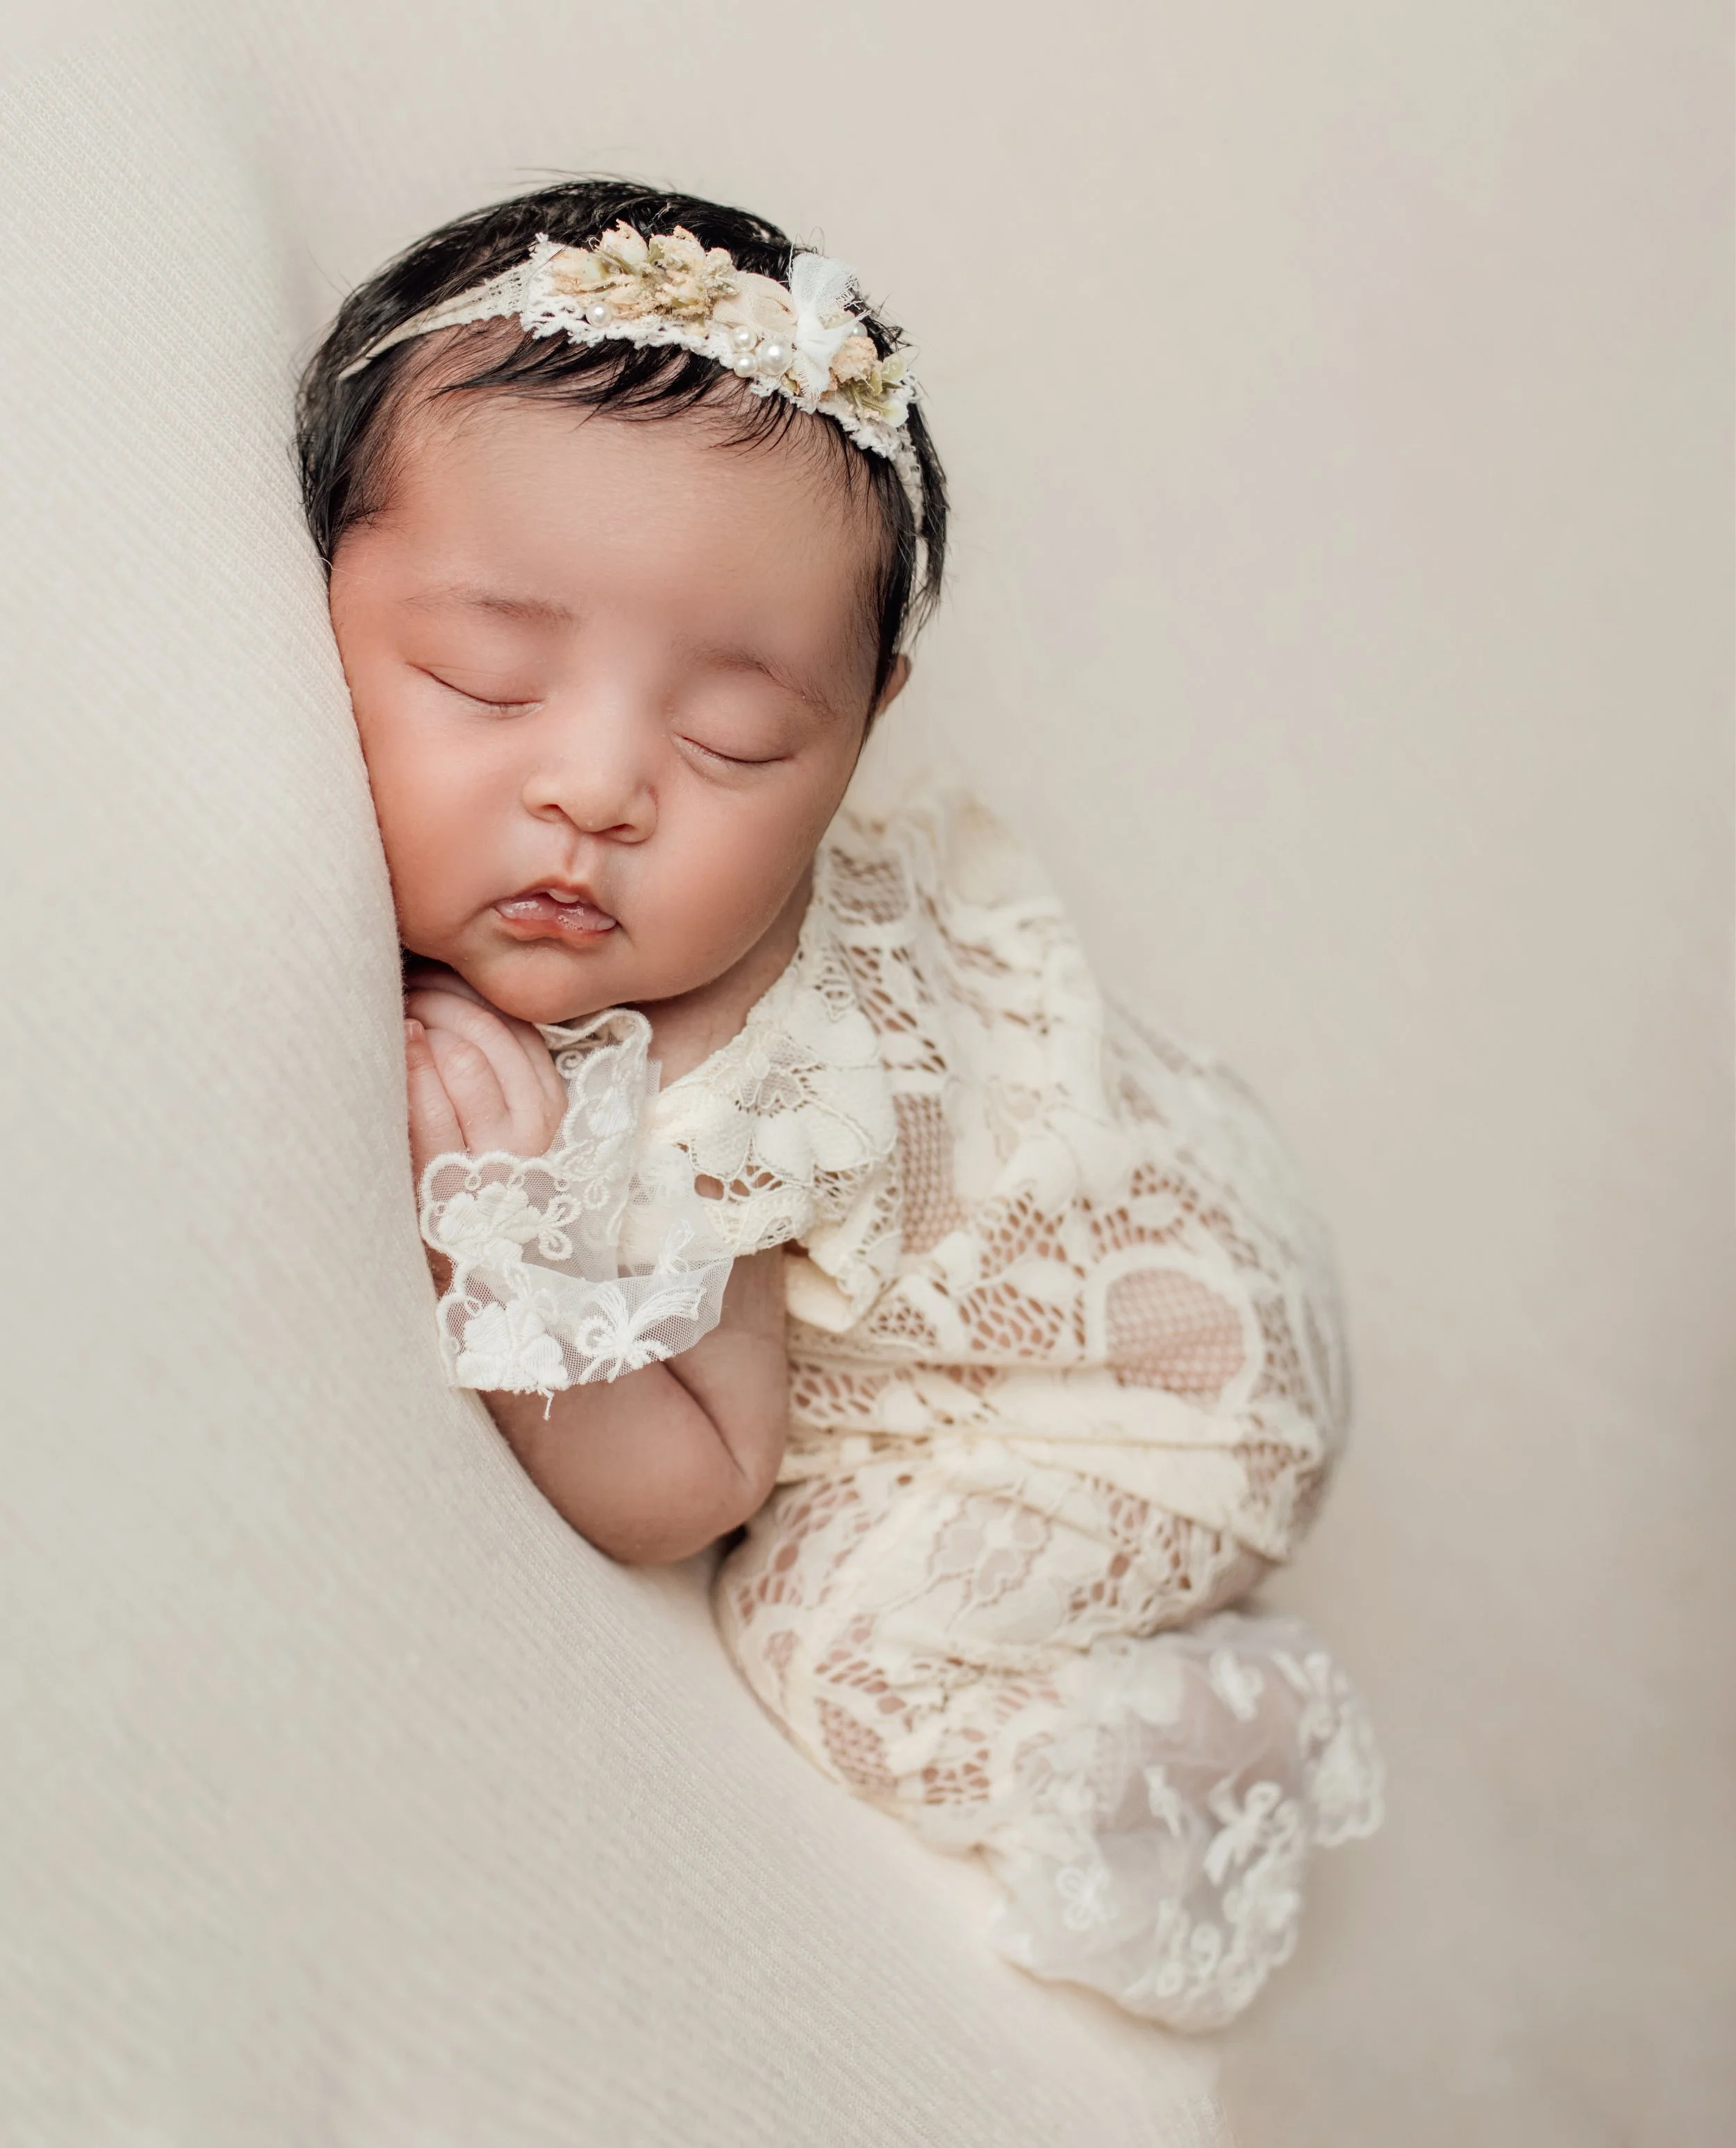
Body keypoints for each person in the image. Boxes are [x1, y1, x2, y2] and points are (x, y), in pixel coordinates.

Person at [297, 178, 1382, 2031]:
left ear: (863, 726)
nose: (599, 788)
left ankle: (1200, 1750)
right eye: (487, 679)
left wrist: (499, 1238)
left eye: (734, 740)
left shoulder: (750, 1080)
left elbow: (692, 1480)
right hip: (1187, 1215)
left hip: (1143, 1396)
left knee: (825, 1638)